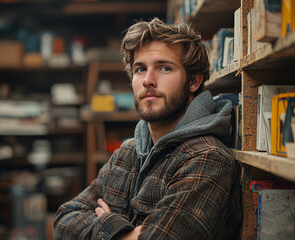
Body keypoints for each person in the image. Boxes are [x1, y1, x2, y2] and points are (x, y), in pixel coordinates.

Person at [53, 18, 242, 240]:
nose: (148, 80)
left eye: (164, 68)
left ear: (193, 82)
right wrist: (126, 234)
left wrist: (105, 224)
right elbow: (64, 220)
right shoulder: (127, 153)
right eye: (140, 69)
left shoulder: (208, 158)